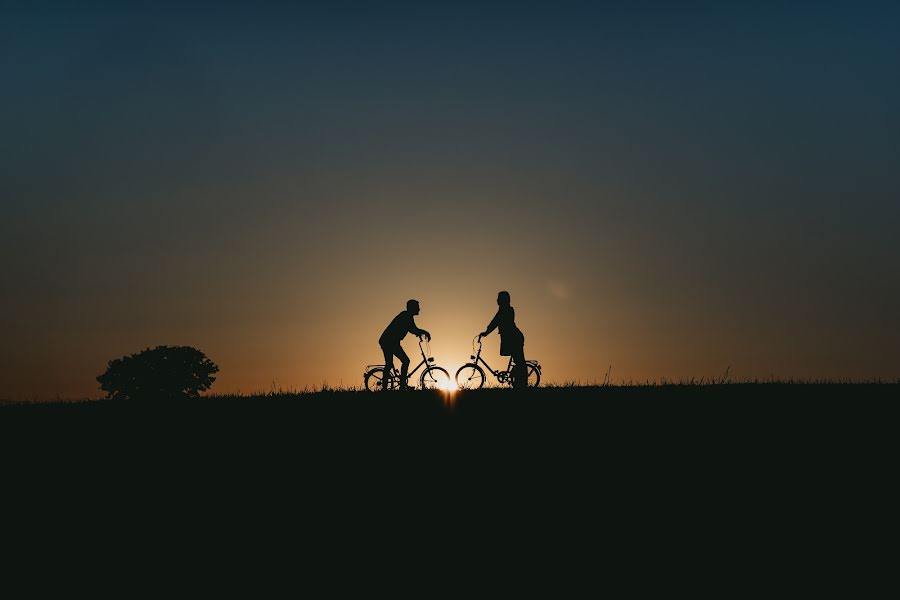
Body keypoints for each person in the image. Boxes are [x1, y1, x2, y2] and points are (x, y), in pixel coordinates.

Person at [379, 299, 431, 391]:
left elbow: (412, 329)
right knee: (402, 361)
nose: (419, 309)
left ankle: (399, 385)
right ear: (412, 308)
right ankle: (399, 386)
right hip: (389, 342)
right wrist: (425, 332)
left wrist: (421, 333)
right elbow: (413, 329)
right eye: (417, 307)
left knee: (393, 363)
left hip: (391, 341)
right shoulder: (406, 316)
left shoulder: (407, 316)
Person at [479, 291, 527, 389]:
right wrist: (486, 332)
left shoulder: (506, 311)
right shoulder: (503, 310)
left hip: (514, 339)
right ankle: (520, 384)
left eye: (499, 299)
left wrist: (486, 332)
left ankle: (522, 384)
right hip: (512, 338)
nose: (497, 301)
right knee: (518, 361)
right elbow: (495, 321)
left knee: (519, 362)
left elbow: (495, 322)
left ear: (503, 300)